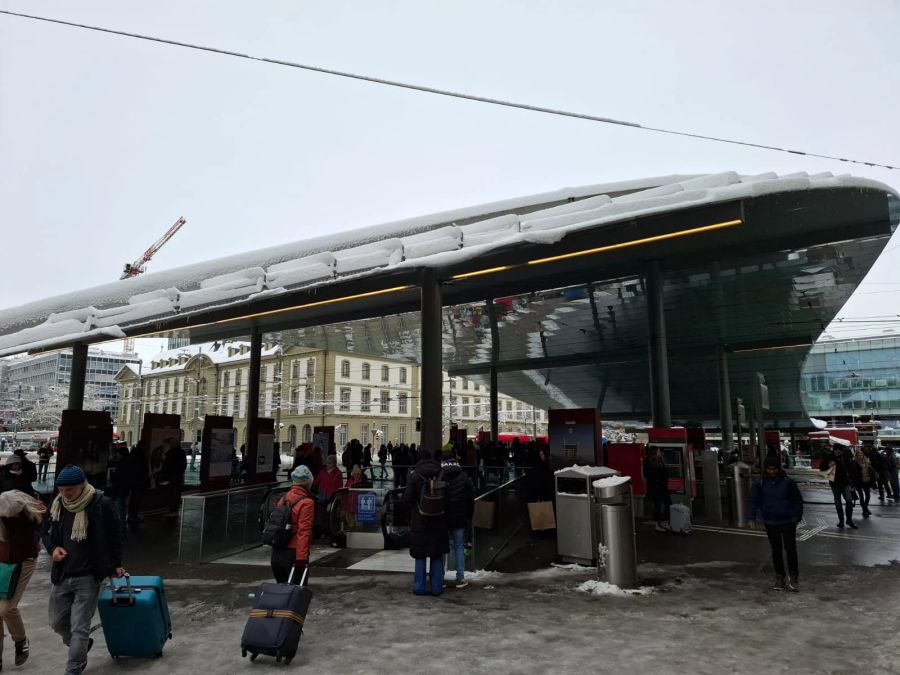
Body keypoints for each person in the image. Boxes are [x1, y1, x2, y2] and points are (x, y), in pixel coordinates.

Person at [42, 465, 125, 675]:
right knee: (57, 622)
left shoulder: (101, 503)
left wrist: (116, 563)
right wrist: (53, 549)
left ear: (82, 486)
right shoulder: (58, 504)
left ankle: (74, 669)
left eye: (69, 490)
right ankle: (81, 646)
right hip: (62, 574)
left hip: (88, 576)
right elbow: (46, 532)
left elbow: (116, 535)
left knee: (79, 626)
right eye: (61, 490)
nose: (65, 494)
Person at [0, 490, 46, 669]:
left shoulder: (30, 516)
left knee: (5, 608)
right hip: (3, 561)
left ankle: (21, 641)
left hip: (23, 562)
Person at [748, 456, 804, 591]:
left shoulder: (788, 482)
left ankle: (793, 575)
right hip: (770, 521)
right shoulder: (760, 483)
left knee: (790, 549)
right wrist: (751, 518)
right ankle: (779, 576)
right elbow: (753, 500)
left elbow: (797, 501)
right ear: (765, 469)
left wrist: (796, 518)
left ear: (778, 469)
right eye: (769, 469)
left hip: (787, 520)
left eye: (774, 469)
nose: (771, 471)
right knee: (776, 550)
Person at [404, 449, 449, 597]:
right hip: (439, 519)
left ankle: (419, 587)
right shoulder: (441, 472)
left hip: (419, 520)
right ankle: (437, 587)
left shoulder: (414, 475)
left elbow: (407, 499)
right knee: (436, 554)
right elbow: (447, 498)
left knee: (420, 555)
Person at [270, 466, 315, 585]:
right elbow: (303, 532)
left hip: (277, 553)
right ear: (308, 482)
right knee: (297, 595)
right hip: (293, 554)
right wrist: (302, 559)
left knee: (282, 594)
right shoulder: (307, 503)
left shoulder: (283, 498)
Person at [441, 447, 474, 588]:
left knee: (442, 547)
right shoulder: (464, 477)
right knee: (459, 546)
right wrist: (468, 516)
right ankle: (460, 577)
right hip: (460, 518)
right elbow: (470, 500)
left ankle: (439, 577)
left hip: (443, 517)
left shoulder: (441, 476)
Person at [819, 444, 858, 529]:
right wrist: (828, 465)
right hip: (834, 484)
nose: (837, 451)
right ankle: (841, 520)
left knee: (849, 501)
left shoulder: (845, 457)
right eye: (835, 449)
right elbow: (821, 468)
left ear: (841, 450)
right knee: (838, 504)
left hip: (846, 483)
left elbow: (852, 470)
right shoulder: (829, 458)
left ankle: (849, 520)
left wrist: (854, 483)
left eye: (838, 450)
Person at [158, 438, 187, 516]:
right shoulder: (181, 452)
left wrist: (166, 475)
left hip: (171, 477)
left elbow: (167, 465)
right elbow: (183, 465)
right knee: (175, 494)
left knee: (171, 493)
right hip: (177, 476)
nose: (170, 445)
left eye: (171, 443)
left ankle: (172, 510)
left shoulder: (171, 453)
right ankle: (173, 510)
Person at [644, 452, 671, 532]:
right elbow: (654, 476)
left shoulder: (658, 463)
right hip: (658, 487)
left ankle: (662, 522)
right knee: (660, 504)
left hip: (661, 487)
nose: (660, 453)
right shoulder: (653, 465)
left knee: (664, 504)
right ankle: (660, 523)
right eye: (658, 452)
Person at [126, 441, 151, 526]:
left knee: (133, 499)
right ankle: (133, 516)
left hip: (134, 481)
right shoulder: (140, 456)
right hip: (139, 482)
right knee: (136, 499)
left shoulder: (134, 454)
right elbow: (142, 470)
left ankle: (131, 516)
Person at [853, 448, 874, 518]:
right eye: (858, 455)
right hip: (858, 482)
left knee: (868, 496)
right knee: (861, 497)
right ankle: (865, 510)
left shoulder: (866, 462)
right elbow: (853, 473)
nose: (860, 456)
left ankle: (865, 509)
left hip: (866, 481)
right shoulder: (854, 463)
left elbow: (871, 470)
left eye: (861, 455)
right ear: (856, 456)